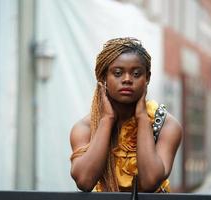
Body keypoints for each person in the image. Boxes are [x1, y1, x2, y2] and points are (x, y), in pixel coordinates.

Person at [69, 37, 182, 192]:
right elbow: (84, 181)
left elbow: (150, 181)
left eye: (136, 74)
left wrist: (142, 117)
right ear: (103, 78)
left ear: (147, 78)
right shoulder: (85, 127)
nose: (127, 79)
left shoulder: (166, 125)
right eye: (118, 73)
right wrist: (107, 119)